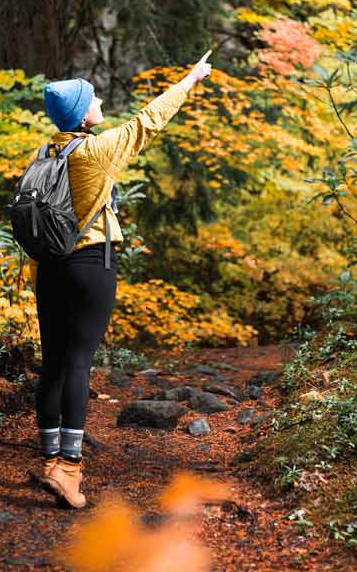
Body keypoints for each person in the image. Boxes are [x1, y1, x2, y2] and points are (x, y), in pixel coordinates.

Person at [29, 51, 213, 509]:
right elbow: (149, 121)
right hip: (90, 265)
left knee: (53, 361)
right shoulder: (95, 150)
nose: (101, 101)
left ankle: (51, 460)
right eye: (94, 98)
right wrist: (190, 79)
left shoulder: (46, 151)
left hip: (48, 266)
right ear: (83, 114)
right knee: (78, 362)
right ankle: (69, 470)